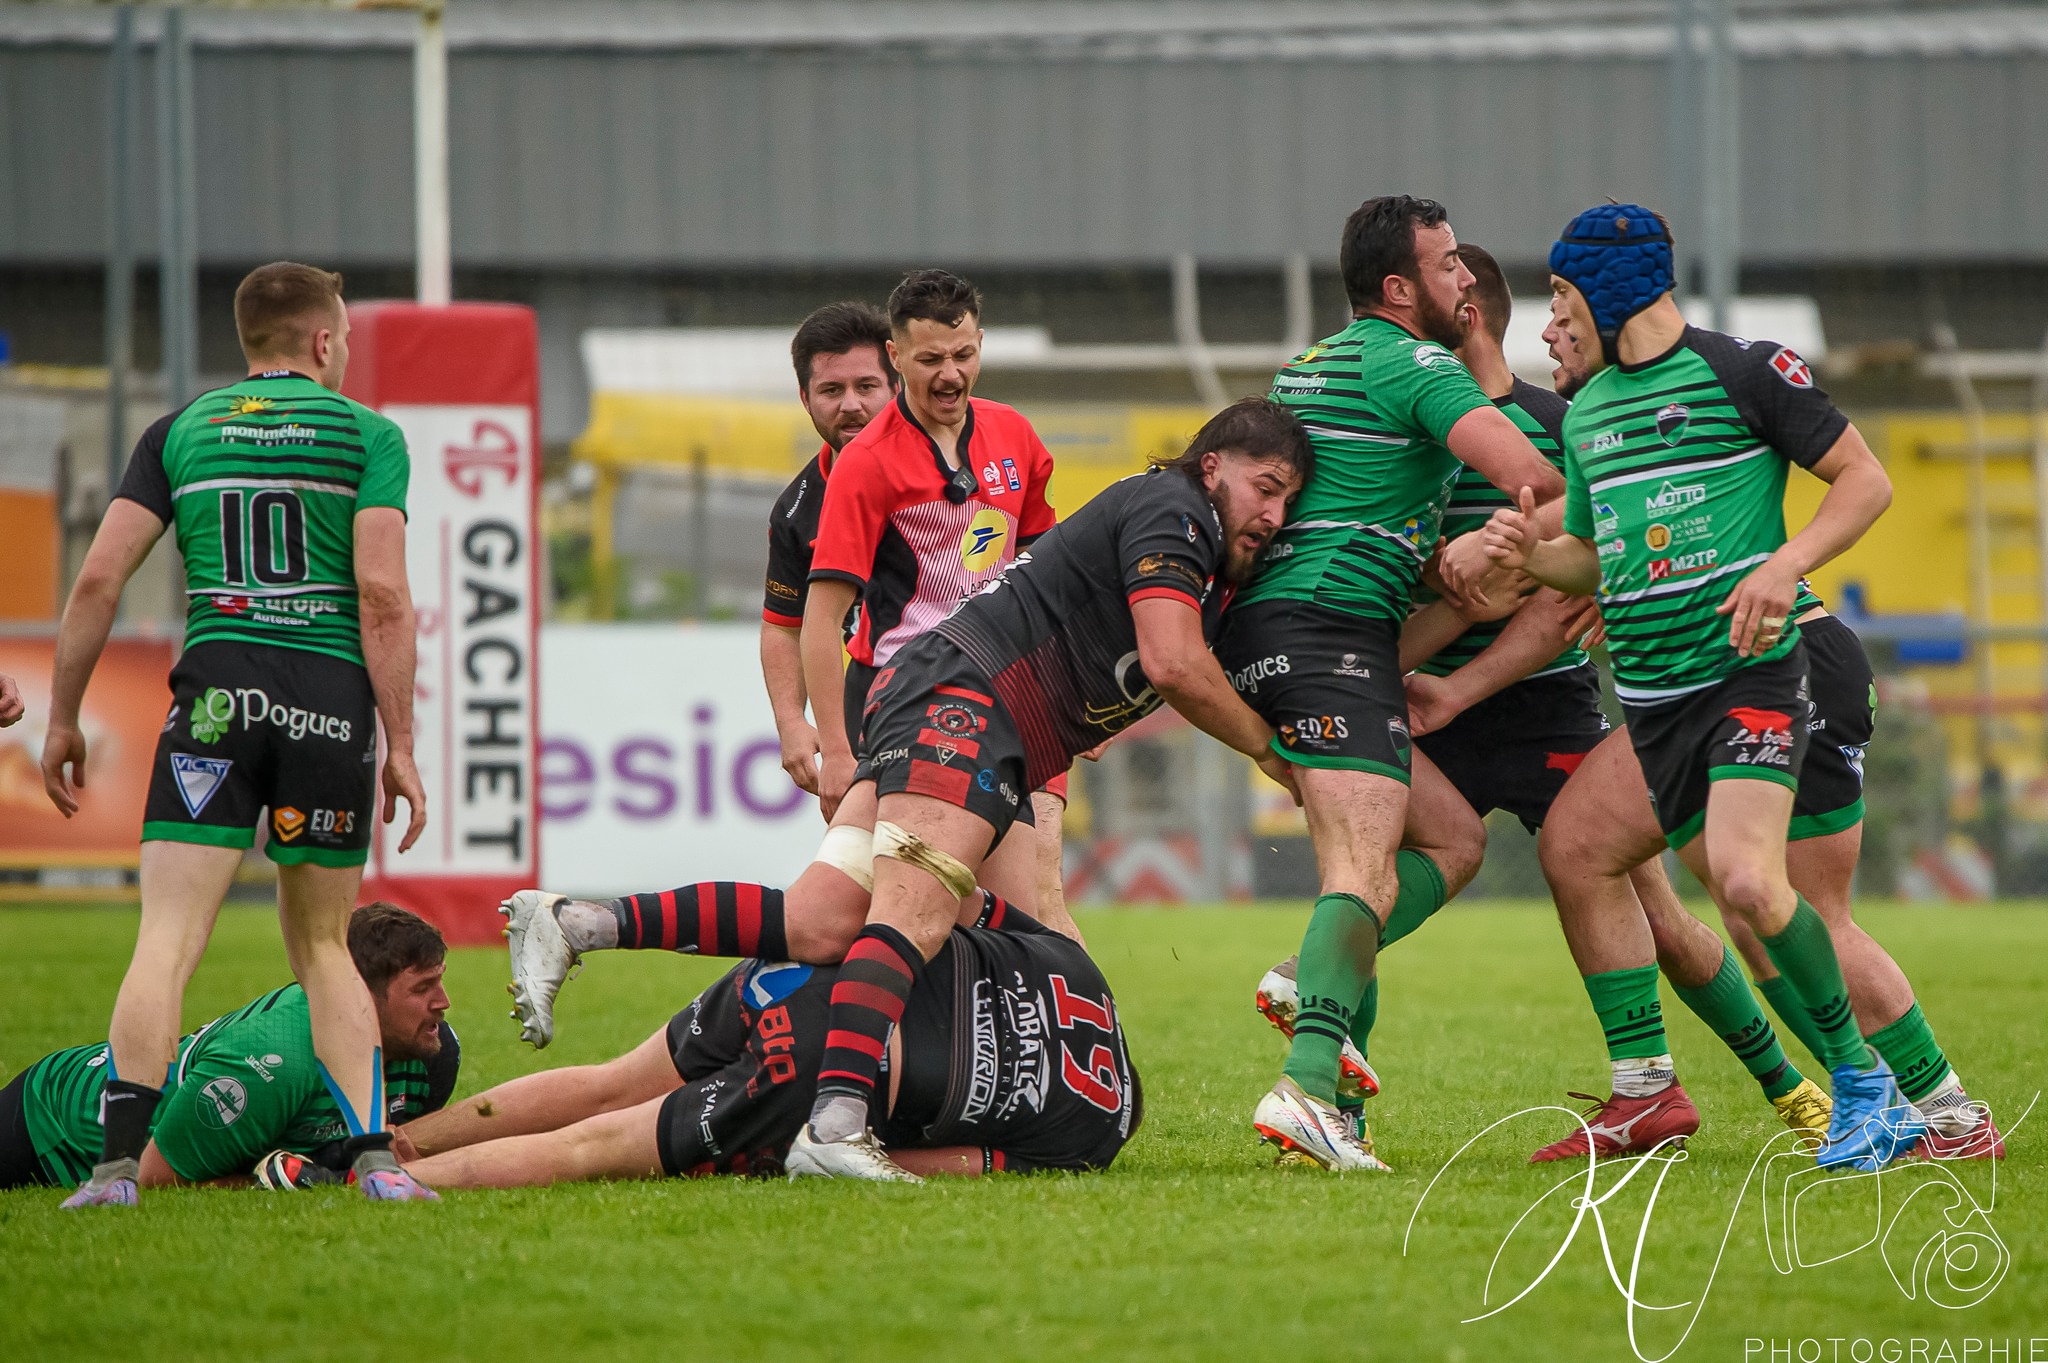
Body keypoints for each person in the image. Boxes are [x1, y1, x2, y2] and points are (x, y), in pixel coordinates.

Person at [1527, 250, 2003, 1162]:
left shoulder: (1737, 371)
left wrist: (1783, 566)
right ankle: (1661, 1089)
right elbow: (1605, 550)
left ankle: (1944, 1111)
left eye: (1559, 303)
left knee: (1792, 908)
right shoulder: (1593, 415)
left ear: (1607, 297)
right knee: (1597, 851)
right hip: (1681, 688)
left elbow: (1858, 481)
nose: (1550, 327)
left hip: (1790, 666)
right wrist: (1542, 561)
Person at [775, 397, 1310, 1180]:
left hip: (973, 710)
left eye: (1288, 498)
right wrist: (1270, 752)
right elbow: (1172, 663)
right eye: (1265, 486)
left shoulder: (1210, 559)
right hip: (964, 698)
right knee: (921, 913)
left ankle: (585, 922)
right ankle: (835, 1123)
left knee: (869, 921)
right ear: (1210, 467)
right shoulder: (1176, 506)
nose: (1274, 511)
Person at [38, 261, 434, 1205]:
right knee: (324, 945)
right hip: (325, 702)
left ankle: (113, 1171)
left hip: (216, 698)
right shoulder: (369, 434)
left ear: (247, 339)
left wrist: (61, 717)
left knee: (168, 935)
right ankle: (374, 1160)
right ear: (326, 341)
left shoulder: (178, 433)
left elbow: (97, 582)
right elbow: (380, 594)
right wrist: (403, 743)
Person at [1215, 197, 1568, 1173]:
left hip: (1281, 632)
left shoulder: (1308, 370)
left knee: (1448, 840)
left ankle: (1309, 1004)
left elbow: (1346, 518)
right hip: (1328, 633)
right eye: (1448, 264)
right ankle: (1306, 1077)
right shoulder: (1412, 364)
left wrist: (1447, 562)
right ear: (1400, 288)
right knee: (1361, 871)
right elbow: (1534, 482)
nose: (1467, 281)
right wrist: (1532, 532)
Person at [405, 901, 1136, 1186]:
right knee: (592, 1147)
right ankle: (382, 1184)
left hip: (804, 973)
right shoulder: (1089, 1142)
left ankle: (394, 1143)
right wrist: (803, 1152)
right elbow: (949, 1163)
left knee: (610, 1081)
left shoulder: (1074, 959)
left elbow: (936, 901)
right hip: (828, 1070)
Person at [0, 904, 456, 1192]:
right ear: (360, 994)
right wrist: (273, 1183)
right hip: (50, 1116)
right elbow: (153, 1179)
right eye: (423, 988)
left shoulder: (429, 1056)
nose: (444, 1003)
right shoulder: (271, 1065)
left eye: (440, 981)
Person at [760, 301, 900, 798]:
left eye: (866, 387)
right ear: (805, 398)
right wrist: (791, 720)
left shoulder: (949, 471)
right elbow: (784, 626)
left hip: (983, 712)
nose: (851, 405)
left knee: (1030, 877)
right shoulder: (797, 512)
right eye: (831, 390)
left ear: (895, 385)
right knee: (862, 872)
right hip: (873, 729)